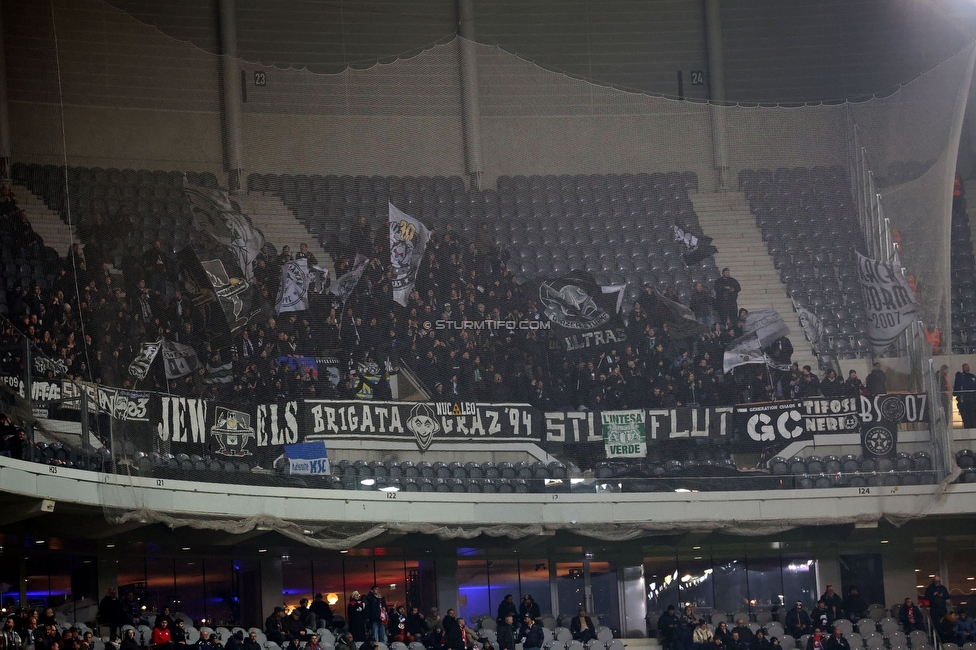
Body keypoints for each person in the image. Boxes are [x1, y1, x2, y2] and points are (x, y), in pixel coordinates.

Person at [955, 364, 976, 429]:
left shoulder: (972, 376)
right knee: (966, 417)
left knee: (973, 416)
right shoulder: (961, 377)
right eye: (965, 367)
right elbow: (957, 387)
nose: (967, 368)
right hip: (964, 401)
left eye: (968, 367)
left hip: (972, 401)